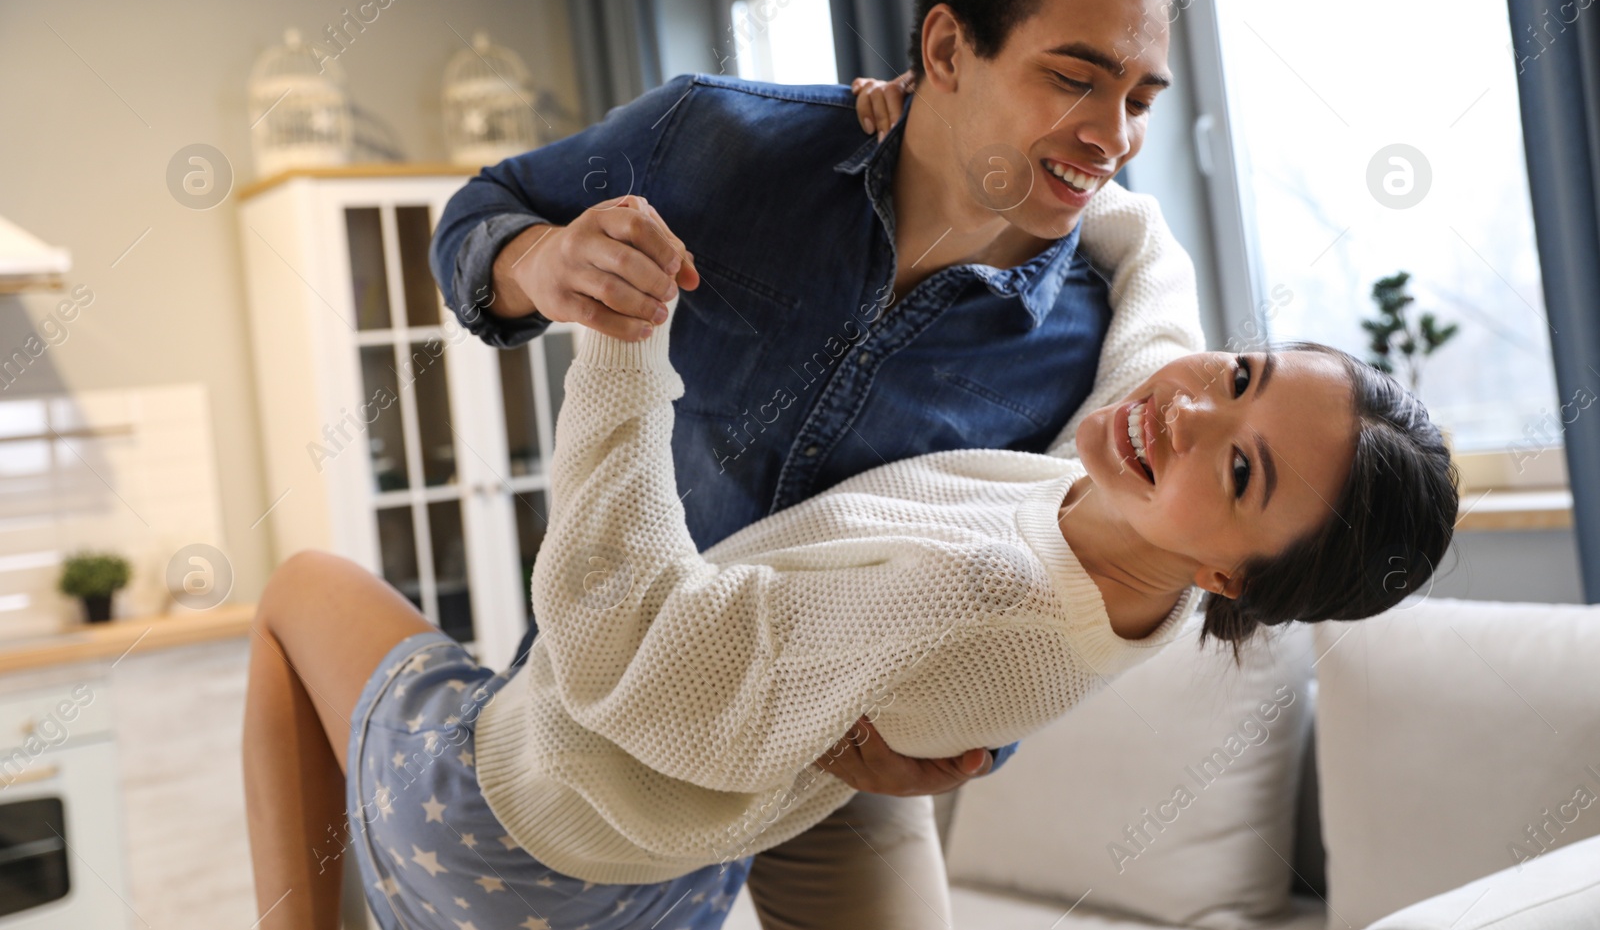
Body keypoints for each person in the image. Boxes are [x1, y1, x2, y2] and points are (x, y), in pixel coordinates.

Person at [242, 245, 1459, 930]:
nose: (1189, 406)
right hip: (661, 883)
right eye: (1242, 368)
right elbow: (1155, 292)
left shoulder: (978, 591)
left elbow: (620, 645)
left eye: (1240, 463)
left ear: (1232, 572)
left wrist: (623, 344)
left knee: (297, 585)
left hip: (514, 824)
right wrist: (1098, 178)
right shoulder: (1148, 551)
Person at [422, 0, 1194, 929]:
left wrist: (955, 745)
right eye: (1073, 78)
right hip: (600, 708)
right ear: (945, 51)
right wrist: (540, 258)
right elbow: (479, 209)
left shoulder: (1086, 353)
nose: (1112, 134)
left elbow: (1046, 580)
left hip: (822, 760)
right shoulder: (717, 142)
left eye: (1141, 98)